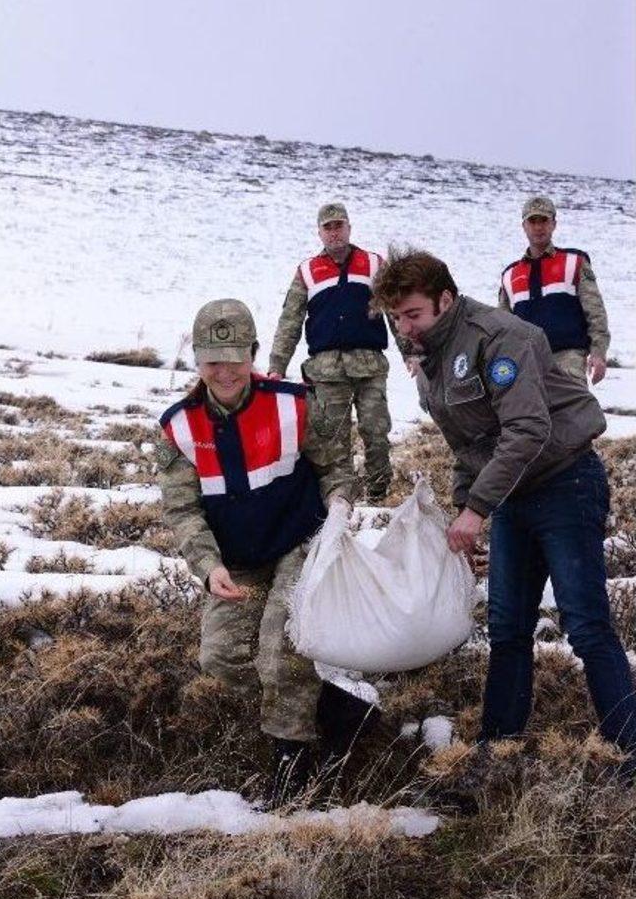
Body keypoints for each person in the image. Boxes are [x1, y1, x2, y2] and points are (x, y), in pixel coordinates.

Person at [371, 248, 636, 767]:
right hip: (513, 495)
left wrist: (476, 510)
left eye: (414, 315)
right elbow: (469, 444)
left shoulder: (500, 336)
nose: (405, 328)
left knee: (584, 624)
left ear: (445, 300)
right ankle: (497, 754)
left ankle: (631, 752)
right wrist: (461, 511)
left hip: (564, 483)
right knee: (508, 627)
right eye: (396, 318)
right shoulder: (430, 360)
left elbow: (527, 430)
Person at [156, 299, 377, 807]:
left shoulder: (295, 402)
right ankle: (343, 713)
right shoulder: (178, 428)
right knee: (222, 657)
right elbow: (183, 511)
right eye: (213, 360)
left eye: (235, 358)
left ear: (253, 353)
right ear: (198, 361)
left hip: (302, 542)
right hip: (238, 560)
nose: (225, 371)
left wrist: (340, 510)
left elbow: (336, 469)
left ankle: (292, 768)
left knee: (282, 653)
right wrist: (208, 567)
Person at [268, 202, 392, 503]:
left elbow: (396, 310)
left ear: (349, 227)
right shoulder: (307, 271)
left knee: (376, 434)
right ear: (320, 232)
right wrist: (277, 365)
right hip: (326, 371)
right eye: (328, 227)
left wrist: (415, 353)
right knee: (333, 440)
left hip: (369, 366)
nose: (334, 232)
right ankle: (342, 499)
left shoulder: (375, 264)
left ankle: (378, 495)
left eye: (339, 225)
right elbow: (290, 320)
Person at [499, 195, 610, 386]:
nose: (538, 226)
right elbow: (501, 328)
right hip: (525, 365)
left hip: (568, 359)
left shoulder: (575, 262)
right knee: (528, 416)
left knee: (571, 415)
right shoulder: (510, 274)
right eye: (532, 221)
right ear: (524, 226)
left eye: (544, 220)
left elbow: (595, 312)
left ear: (554, 224)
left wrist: (598, 353)